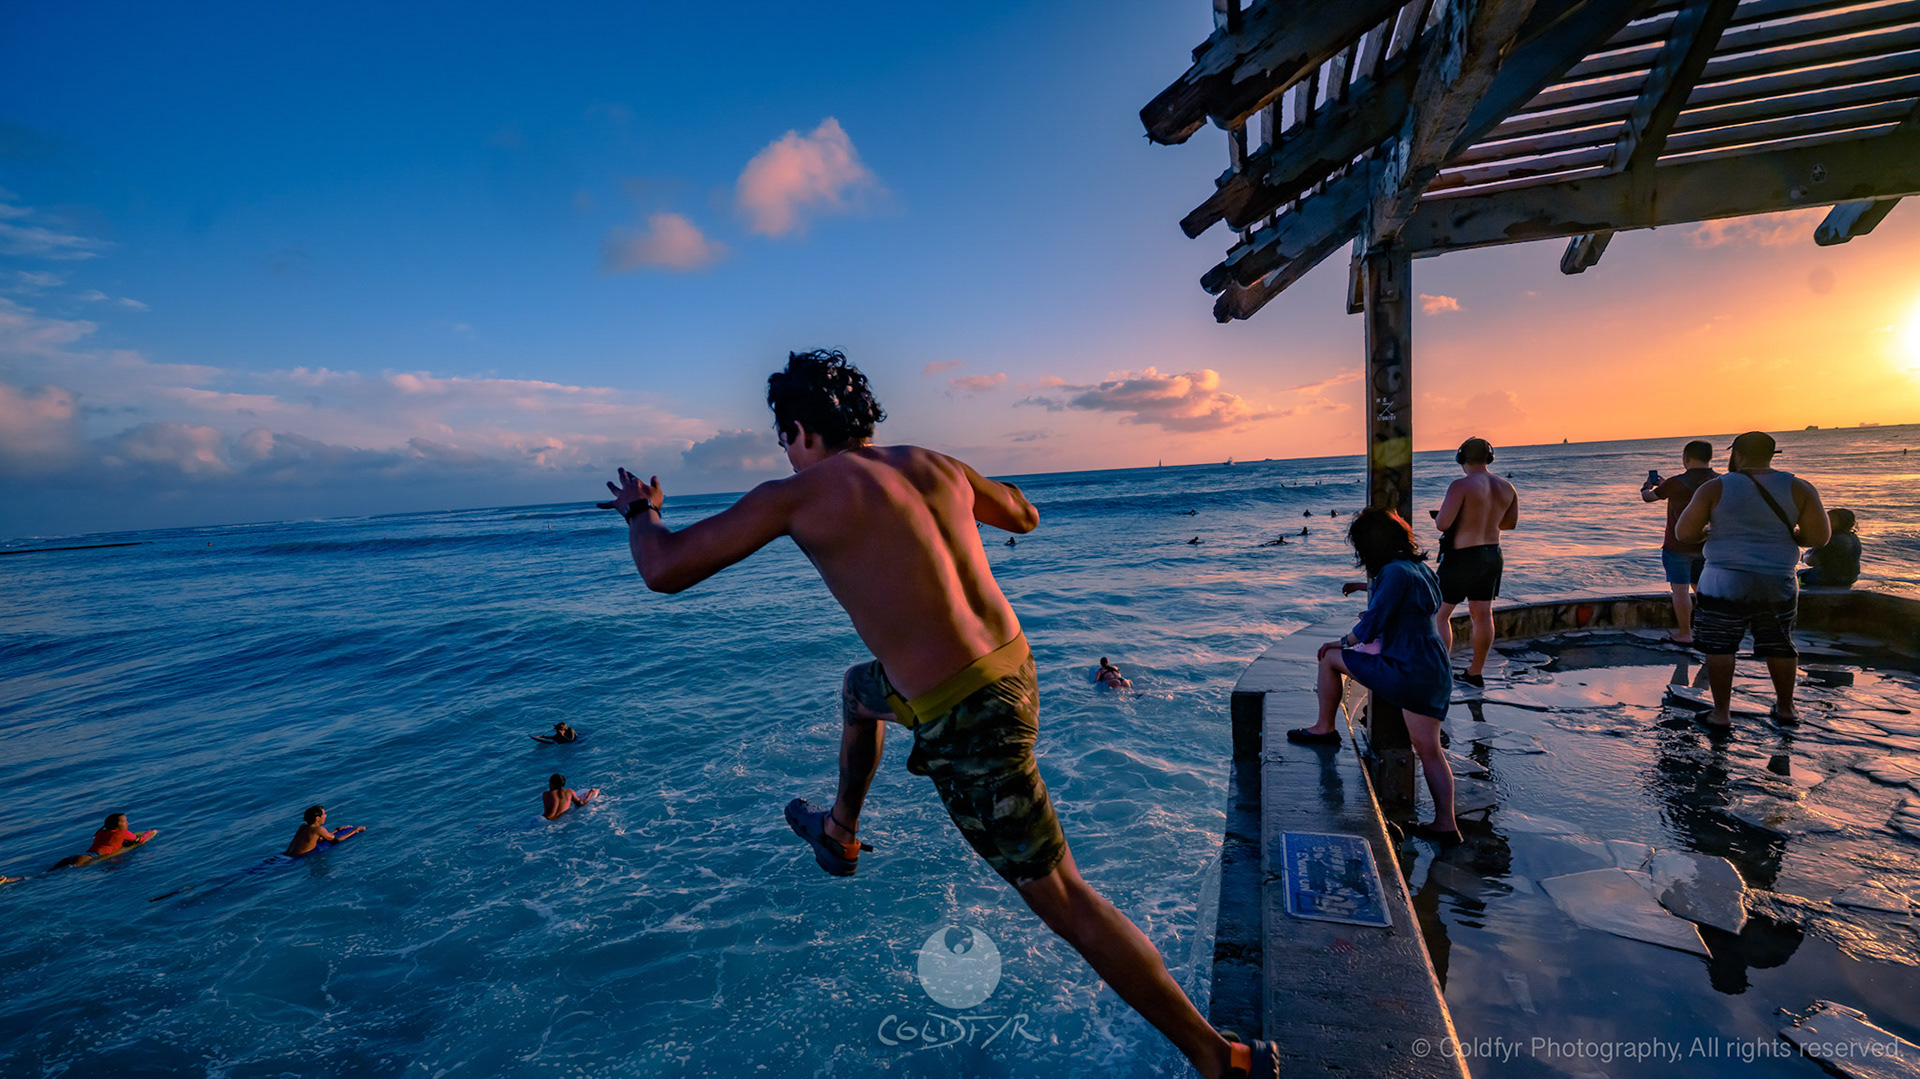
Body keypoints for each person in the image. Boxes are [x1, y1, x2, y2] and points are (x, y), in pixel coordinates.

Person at [597, 349, 1273, 1078]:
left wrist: (642, 510)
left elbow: (663, 569)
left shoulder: (795, 495)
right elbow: (1025, 514)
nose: (788, 455)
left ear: (801, 431)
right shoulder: (934, 464)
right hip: (1014, 669)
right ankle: (840, 832)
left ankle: (1218, 1057)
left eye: (785, 440)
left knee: (1065, 897)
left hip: (968, 716)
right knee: (858, 691)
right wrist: (969, 485)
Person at [1287, 508, 1457, 841]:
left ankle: (1324, 728)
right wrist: (1367, 592)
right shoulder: (1419, 568)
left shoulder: (1392, 572)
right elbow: (1410, 604)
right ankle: (1446, 823)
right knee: (1431, 750)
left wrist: (1341, 641)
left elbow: (1372, 625)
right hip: (1432, 663)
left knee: (1329, 657)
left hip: (1407, 668)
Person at [1675, 431, 1830, 727]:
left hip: (1723, 579)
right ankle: (1786, 709)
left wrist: (1706, 533)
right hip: (1777, 578)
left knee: (1720, 646)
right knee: (1780, 644)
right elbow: (1819, 537)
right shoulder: (1799, 487)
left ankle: (1721, 713)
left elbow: (1684, 533)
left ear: (1737, 454)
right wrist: (1791, 535)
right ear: (1772, 455)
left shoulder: (1715, 487)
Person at [1434, 438, 1518, 687]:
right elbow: (1509, 524)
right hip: (1492, 554)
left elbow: (1442, 523)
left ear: (1461, 458)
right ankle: (1475, 673)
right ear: (1489, 458)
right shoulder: (1507, 487)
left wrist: (1463, 519)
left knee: (1439, 615)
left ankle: (1441, 672)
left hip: (1462, 557)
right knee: (1482, 615)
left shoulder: (1460, 485)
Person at [1641, 440, 1718, 644]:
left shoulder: (1675, 483)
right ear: (1709, 458)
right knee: (1704, 590)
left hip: (1677, 545)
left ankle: (1685, 633)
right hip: (1708, 546)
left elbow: (1648, 498)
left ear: (1686, 458)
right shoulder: (1719, 481)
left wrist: (1646, 487)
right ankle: (1709, 629)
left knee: (1680, 590)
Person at [51, 813, 150, 869]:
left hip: (80, 856)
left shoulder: (101, 831)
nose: (128, 823)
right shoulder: (122, 832)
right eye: (124, 821)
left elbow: (109, 843)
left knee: (50, 872)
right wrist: (149, 832)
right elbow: (141, 840)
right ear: (116, 825)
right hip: (92, 857)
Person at [1800, 509, 1860, 588]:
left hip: (1826, 578)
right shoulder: (1854, 537)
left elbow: (1811, 561)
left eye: (1830, 520)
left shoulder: (1829, 538)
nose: (1826, 522)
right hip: (1851, 578)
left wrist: (1804, 557)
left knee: (1795, 575)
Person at [285, 805, 364, 857]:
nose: (325, 816)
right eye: (324, 814)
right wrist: (355, 830)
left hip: (287, 855)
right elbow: (337, 840)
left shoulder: (303, 827)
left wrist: (337, 830)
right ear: (317, 818)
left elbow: (318, 839)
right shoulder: (319, 829)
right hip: (298, 858)